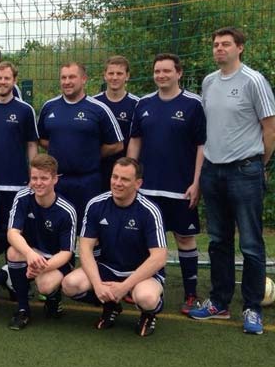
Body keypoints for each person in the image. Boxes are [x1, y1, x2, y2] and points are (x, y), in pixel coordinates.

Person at [188, 27, 275, 335]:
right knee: (217, 241)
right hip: (213, 172)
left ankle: (251, 307)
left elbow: (270, 129)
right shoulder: (209, 82)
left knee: (251, 243)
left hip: (245, 171)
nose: (219, 48)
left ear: (240, 48)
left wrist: (257, 164)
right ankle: (219, 302)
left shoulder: (254, 81)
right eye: (215, 44)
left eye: (226, 44)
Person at [127, 53, 205, 314]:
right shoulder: (144, 104)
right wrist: (128, 175)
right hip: (148, 188)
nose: (161, 75)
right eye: (157, 71)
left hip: (181, 188)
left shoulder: (194, 104)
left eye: (166, 71)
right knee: (145, 240)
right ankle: (140, 286)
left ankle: (191, 294)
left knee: (184, 238)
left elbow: (201, 146)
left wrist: (197, 182)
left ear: (178, 73)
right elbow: (135, 140)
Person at [61, 157, 167, 337]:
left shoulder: (150, 210)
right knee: (69, 285)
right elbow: (85, 249)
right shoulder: (96, 204)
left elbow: (159, 257)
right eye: (114, 177)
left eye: (124, 179)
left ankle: (149, 314)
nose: (117, 183)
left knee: (146, 298)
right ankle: (110, 305)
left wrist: (125, 286)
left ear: (138, 183)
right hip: (107, 268)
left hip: (140, 273)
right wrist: (98, 286)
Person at [37, 61, 123, 222]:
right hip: (57, 180)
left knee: (90, 230)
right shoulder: (49, 107)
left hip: (88, 181)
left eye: (72, 77)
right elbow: (41, 139)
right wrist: (62, 149)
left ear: (83, 79)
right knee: (56, 227)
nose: (67, 81)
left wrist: (90, 154)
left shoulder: (99, 109)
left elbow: (117, 144)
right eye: (63, 77)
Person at [0, 154, 77, 330]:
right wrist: (29, 254)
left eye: (44, 178)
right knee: (13, 251)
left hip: (57, 259)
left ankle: (54, 297)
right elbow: (12, 233)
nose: (38, 183)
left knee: (45, 285)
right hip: (33, 252)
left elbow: (67, 252)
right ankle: (22, 308)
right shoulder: (23, 197)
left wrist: (41, 267)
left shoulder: (67, 210)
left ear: (55, 179)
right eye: (34, 178)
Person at [0, 61, 38, 257]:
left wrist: (33, 176)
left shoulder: (25, 110)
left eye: (7, 78)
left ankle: (14, 277)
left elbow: (31, 144)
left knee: (17, 234)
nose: (2, 82)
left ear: (14, 80)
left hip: (16, 184)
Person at [93, 56, 139, 191]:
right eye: (111, 73)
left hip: (123, 171)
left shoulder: (137, 104)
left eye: (119, 73)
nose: (114, 77)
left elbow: (137, 140)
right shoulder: (94, 103)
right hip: (97, 168)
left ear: (127, 76)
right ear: (105, 76)